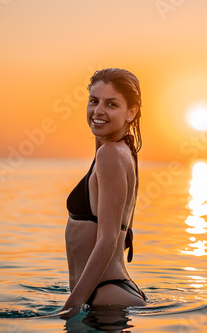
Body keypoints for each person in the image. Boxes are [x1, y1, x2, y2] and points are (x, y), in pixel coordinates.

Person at [61, 68, 146, 311]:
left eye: (111, 104)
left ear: (131, 112)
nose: (98, 111)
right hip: (110, 292)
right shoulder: (122, 151)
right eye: (93, 101)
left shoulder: (110, 154)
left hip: (104, 297)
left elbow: (108, 238)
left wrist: (70, 308)